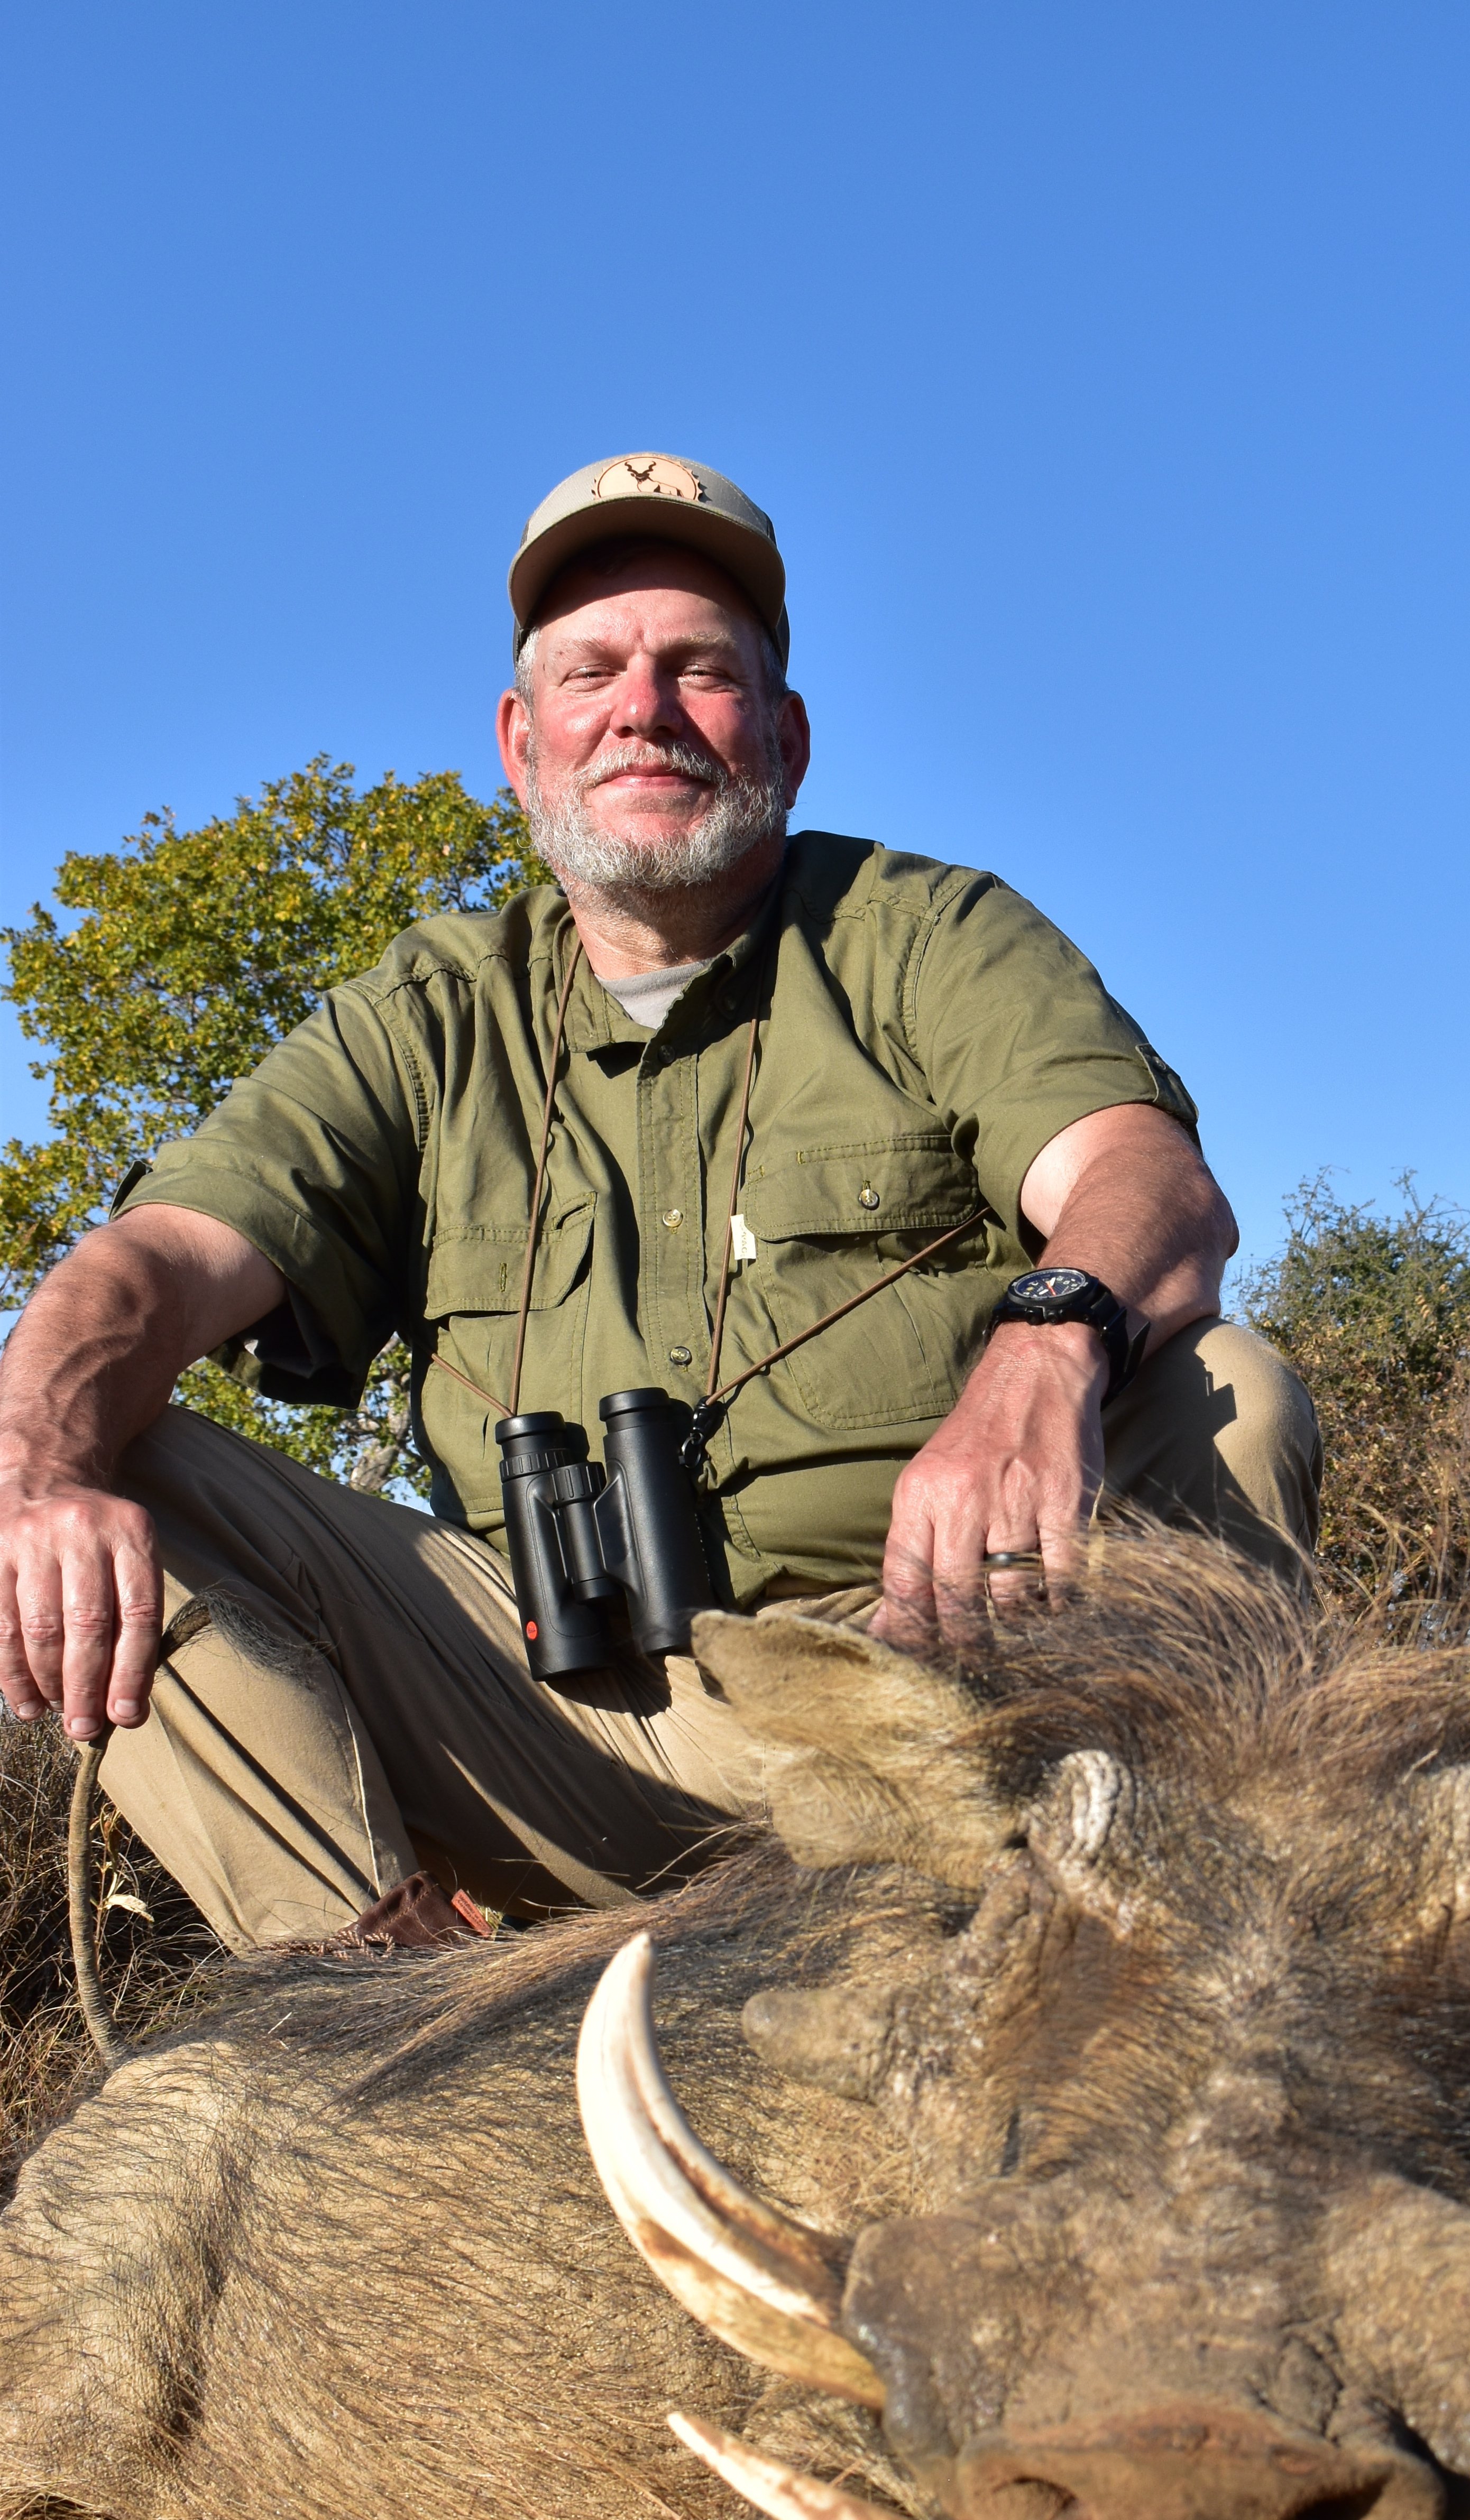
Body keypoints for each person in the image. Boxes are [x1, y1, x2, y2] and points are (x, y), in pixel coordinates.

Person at [0, 452, 1316, 1952]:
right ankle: (386, 2029)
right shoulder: (431, 1008)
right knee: (95, 1449)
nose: (643, 708)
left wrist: (1045, 1339)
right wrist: (38, 1457)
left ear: (788, 735)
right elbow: (158, 1257)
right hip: (559, 1716)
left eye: (701, 671)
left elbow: (1146, 1181)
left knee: (1229, 1390)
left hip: (935, 1692)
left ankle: (1171, 1958)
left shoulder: (926, 933)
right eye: (592, 672)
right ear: (521, 738)